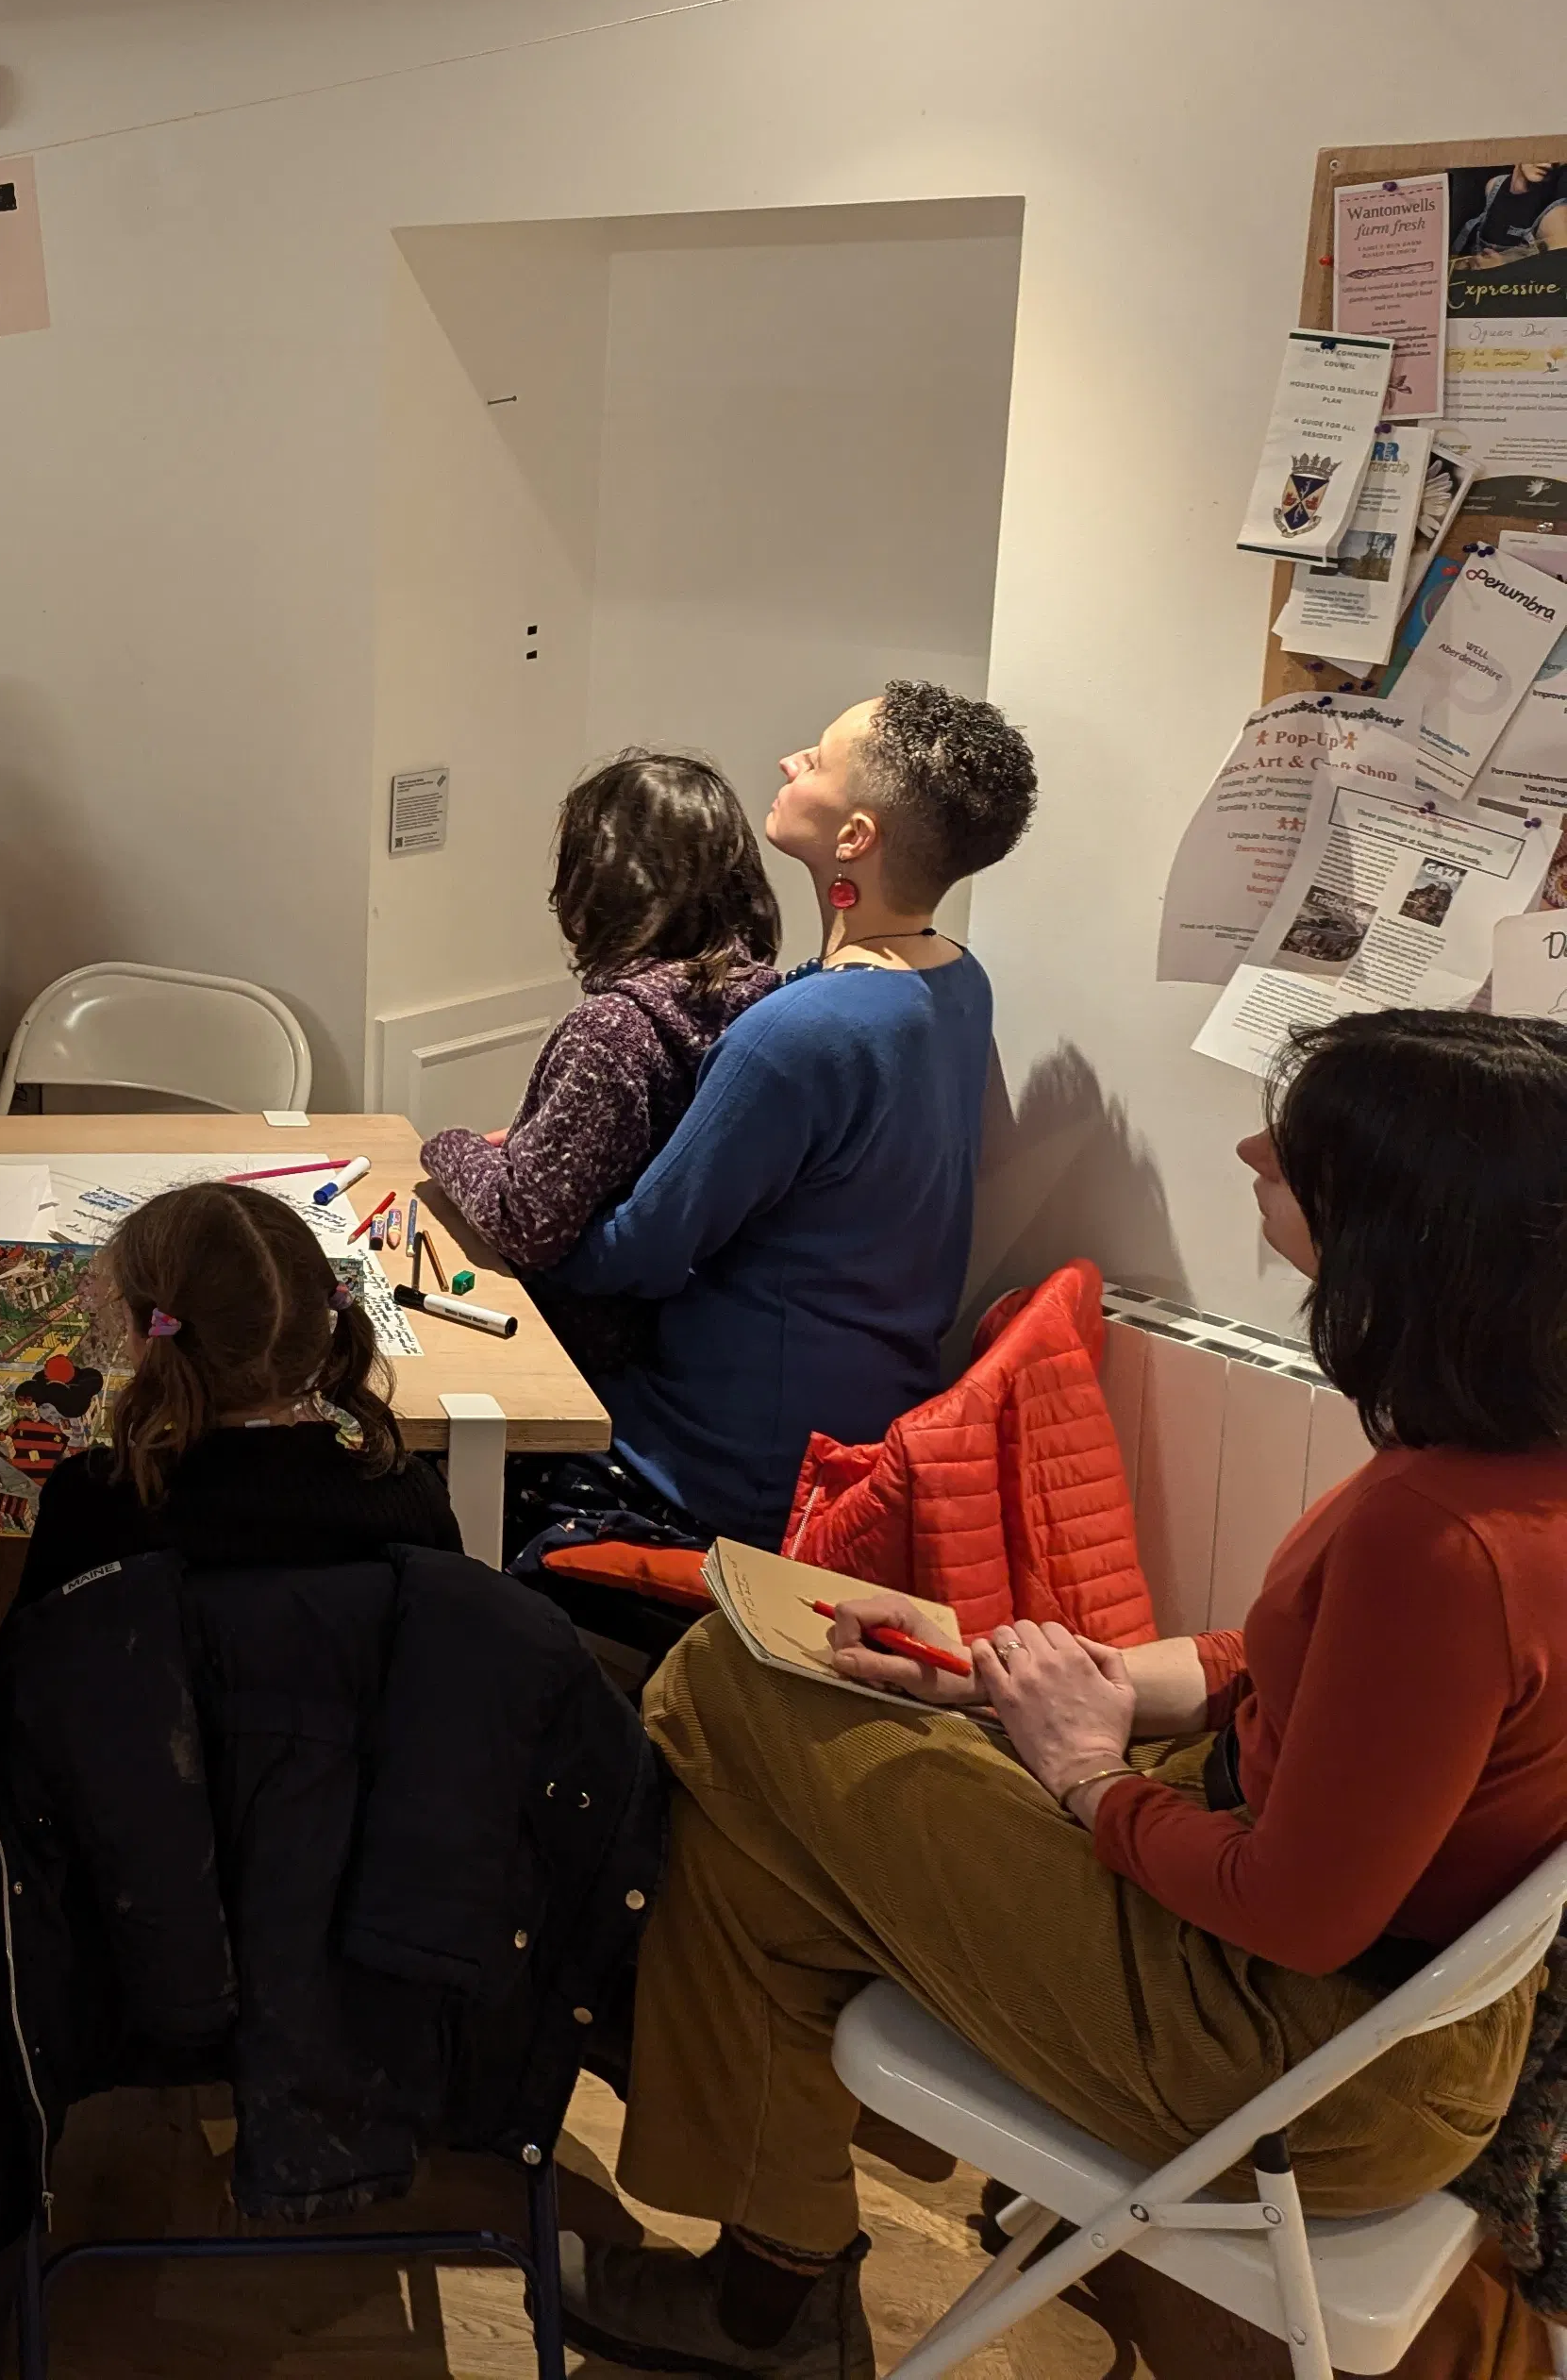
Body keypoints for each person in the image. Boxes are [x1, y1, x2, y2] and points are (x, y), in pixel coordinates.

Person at [575, 1008, 1567, 2380]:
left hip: (1299, 2058)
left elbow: (1297, 1910)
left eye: (1299, 1153)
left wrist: (1084, 1776)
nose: (1250, 1151)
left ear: (1412, 1230)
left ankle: (759, 2271)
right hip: (1360, 2016)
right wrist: (1012, 1679)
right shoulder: (1505, 1462)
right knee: (756, 1828)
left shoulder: (1443, 1540)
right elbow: (1286, 1673)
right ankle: (768, 2290)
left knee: (723, 1687)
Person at [542, 680, 1036, 1545]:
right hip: (862, 1417)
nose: (788, 763)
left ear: (854, 838)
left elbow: (641, 1254)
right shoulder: (960, 979)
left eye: (817, 760)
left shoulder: (798, 1030)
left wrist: (523, 1209)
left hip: (735, 1457)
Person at [418, 750, 782, 1363]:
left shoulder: (613, 1032)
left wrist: (448, 1146)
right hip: (683, 1324)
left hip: (581, 1337)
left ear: (602, 887)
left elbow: (524, 1223)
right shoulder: (759, 997)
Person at [13, 1181, 459, 1607]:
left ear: (148, 1339)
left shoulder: (90, 1503)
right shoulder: (413, 1498)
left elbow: (30, 1649)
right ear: (320, 1331)